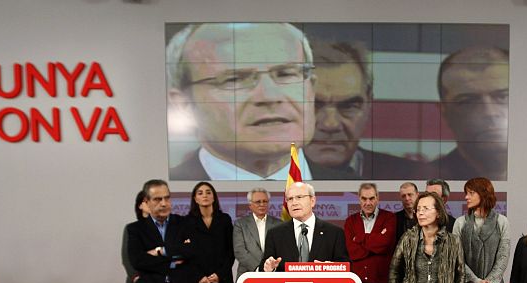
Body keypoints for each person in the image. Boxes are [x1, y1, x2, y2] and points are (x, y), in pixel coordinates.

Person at [166, 23, 355, 181]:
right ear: (184, 105)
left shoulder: (359, 192)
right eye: (235, 79)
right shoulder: (160, 196)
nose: (270, 96)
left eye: (286, 74)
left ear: (311, 89)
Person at [305, 42, 428, 180]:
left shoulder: (418, 178)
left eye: (349, 106)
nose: (330, 124)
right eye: (313, 105)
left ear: (369, 105)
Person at [435, 47, 509, 181]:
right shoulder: (424, 180)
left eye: (503, 97)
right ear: (444, 112)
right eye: (468, 101)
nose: (490, 113)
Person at [260, 182, 349, 271]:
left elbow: (347, 268)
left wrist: (332, 268)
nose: (294, 203)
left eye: (299, 197)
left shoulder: (334, 233)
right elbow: (263, 267)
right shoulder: (275, 234)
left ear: (312, 201)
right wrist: (269, 268)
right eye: (290, 199)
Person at [233, 188, 280, 281]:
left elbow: (280, 250)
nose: (262, 204)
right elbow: (240, 251)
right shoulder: (240, 224)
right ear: (250, 205)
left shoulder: (279, 224)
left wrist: (270, 268)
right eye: (258, 202)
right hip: (247, 276)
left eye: (265, 201)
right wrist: (260, 269)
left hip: (273, 275)